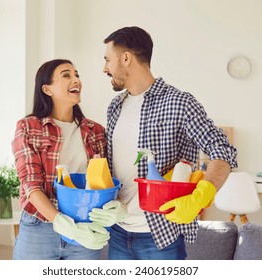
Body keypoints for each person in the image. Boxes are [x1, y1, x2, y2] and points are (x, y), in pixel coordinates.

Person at [100, 26, 238, 260]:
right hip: (118, 231)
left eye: (107, 60)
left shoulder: (179, 103)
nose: (104, 68)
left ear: (126, 58)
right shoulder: (115, 106)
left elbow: (223, 150)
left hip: (160, 235)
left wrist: (201, 196)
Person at [11, 59, 110, 260]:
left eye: (77, 74)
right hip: (39, 229)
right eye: (66, 75)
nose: (76, 80)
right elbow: (31, 185)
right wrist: (61, 223)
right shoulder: (28, 127)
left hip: (84, 228)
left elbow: (105, 181)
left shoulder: (96, 131)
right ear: (47, 89)